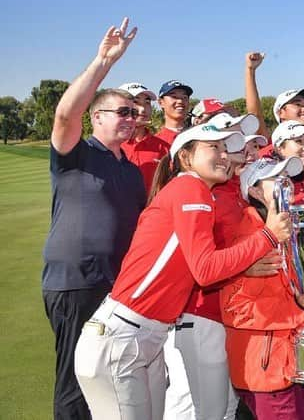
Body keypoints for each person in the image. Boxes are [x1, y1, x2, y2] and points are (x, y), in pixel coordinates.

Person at [74, 125, 284, 419]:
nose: (225, 155)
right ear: (185, 158)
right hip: (122, 336)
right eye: (214, 147)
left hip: (146, 336)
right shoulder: (190, 187)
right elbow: (206, 270)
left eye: (226, 148)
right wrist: (268, 237)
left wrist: (246, 264)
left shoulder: (199, 193)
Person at [42, 18, 145, 420]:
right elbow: (66, 113)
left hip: (118, 284)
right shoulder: (76, 153)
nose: (132, 118)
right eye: (122, 111)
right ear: (96, 116)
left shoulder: (130, 168)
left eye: (135, 113)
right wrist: (103, 61)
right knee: (75, 381)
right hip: (76, 283)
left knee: (108, 375)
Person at [162, 111, 261, 420]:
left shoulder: (233, 190)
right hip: (200, 313)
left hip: (226, 314)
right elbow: (202, 264)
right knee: (189, 408)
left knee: (224, 409)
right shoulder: (202, 192)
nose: (240, 146)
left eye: (238, 139)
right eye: (225, 140)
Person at [221, 156, 304, 419]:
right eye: (276, 178)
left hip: (297, 359)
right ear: (255, 191)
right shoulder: (246, 237)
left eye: (288, 177)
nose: (287, 183)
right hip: (267, 368)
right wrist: (297, 307)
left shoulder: (292, 226)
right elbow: (236, 309)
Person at [118, 82, 170, 195]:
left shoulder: (164, 148)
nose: (142, 109)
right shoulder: (109, 146)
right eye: (135, 102)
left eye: (147, 103)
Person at [155, 80, 193, 145]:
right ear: (161, 102)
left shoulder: (198, 136)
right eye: (174, 97)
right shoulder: (155, 142)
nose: (180, 101)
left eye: (184, 97)